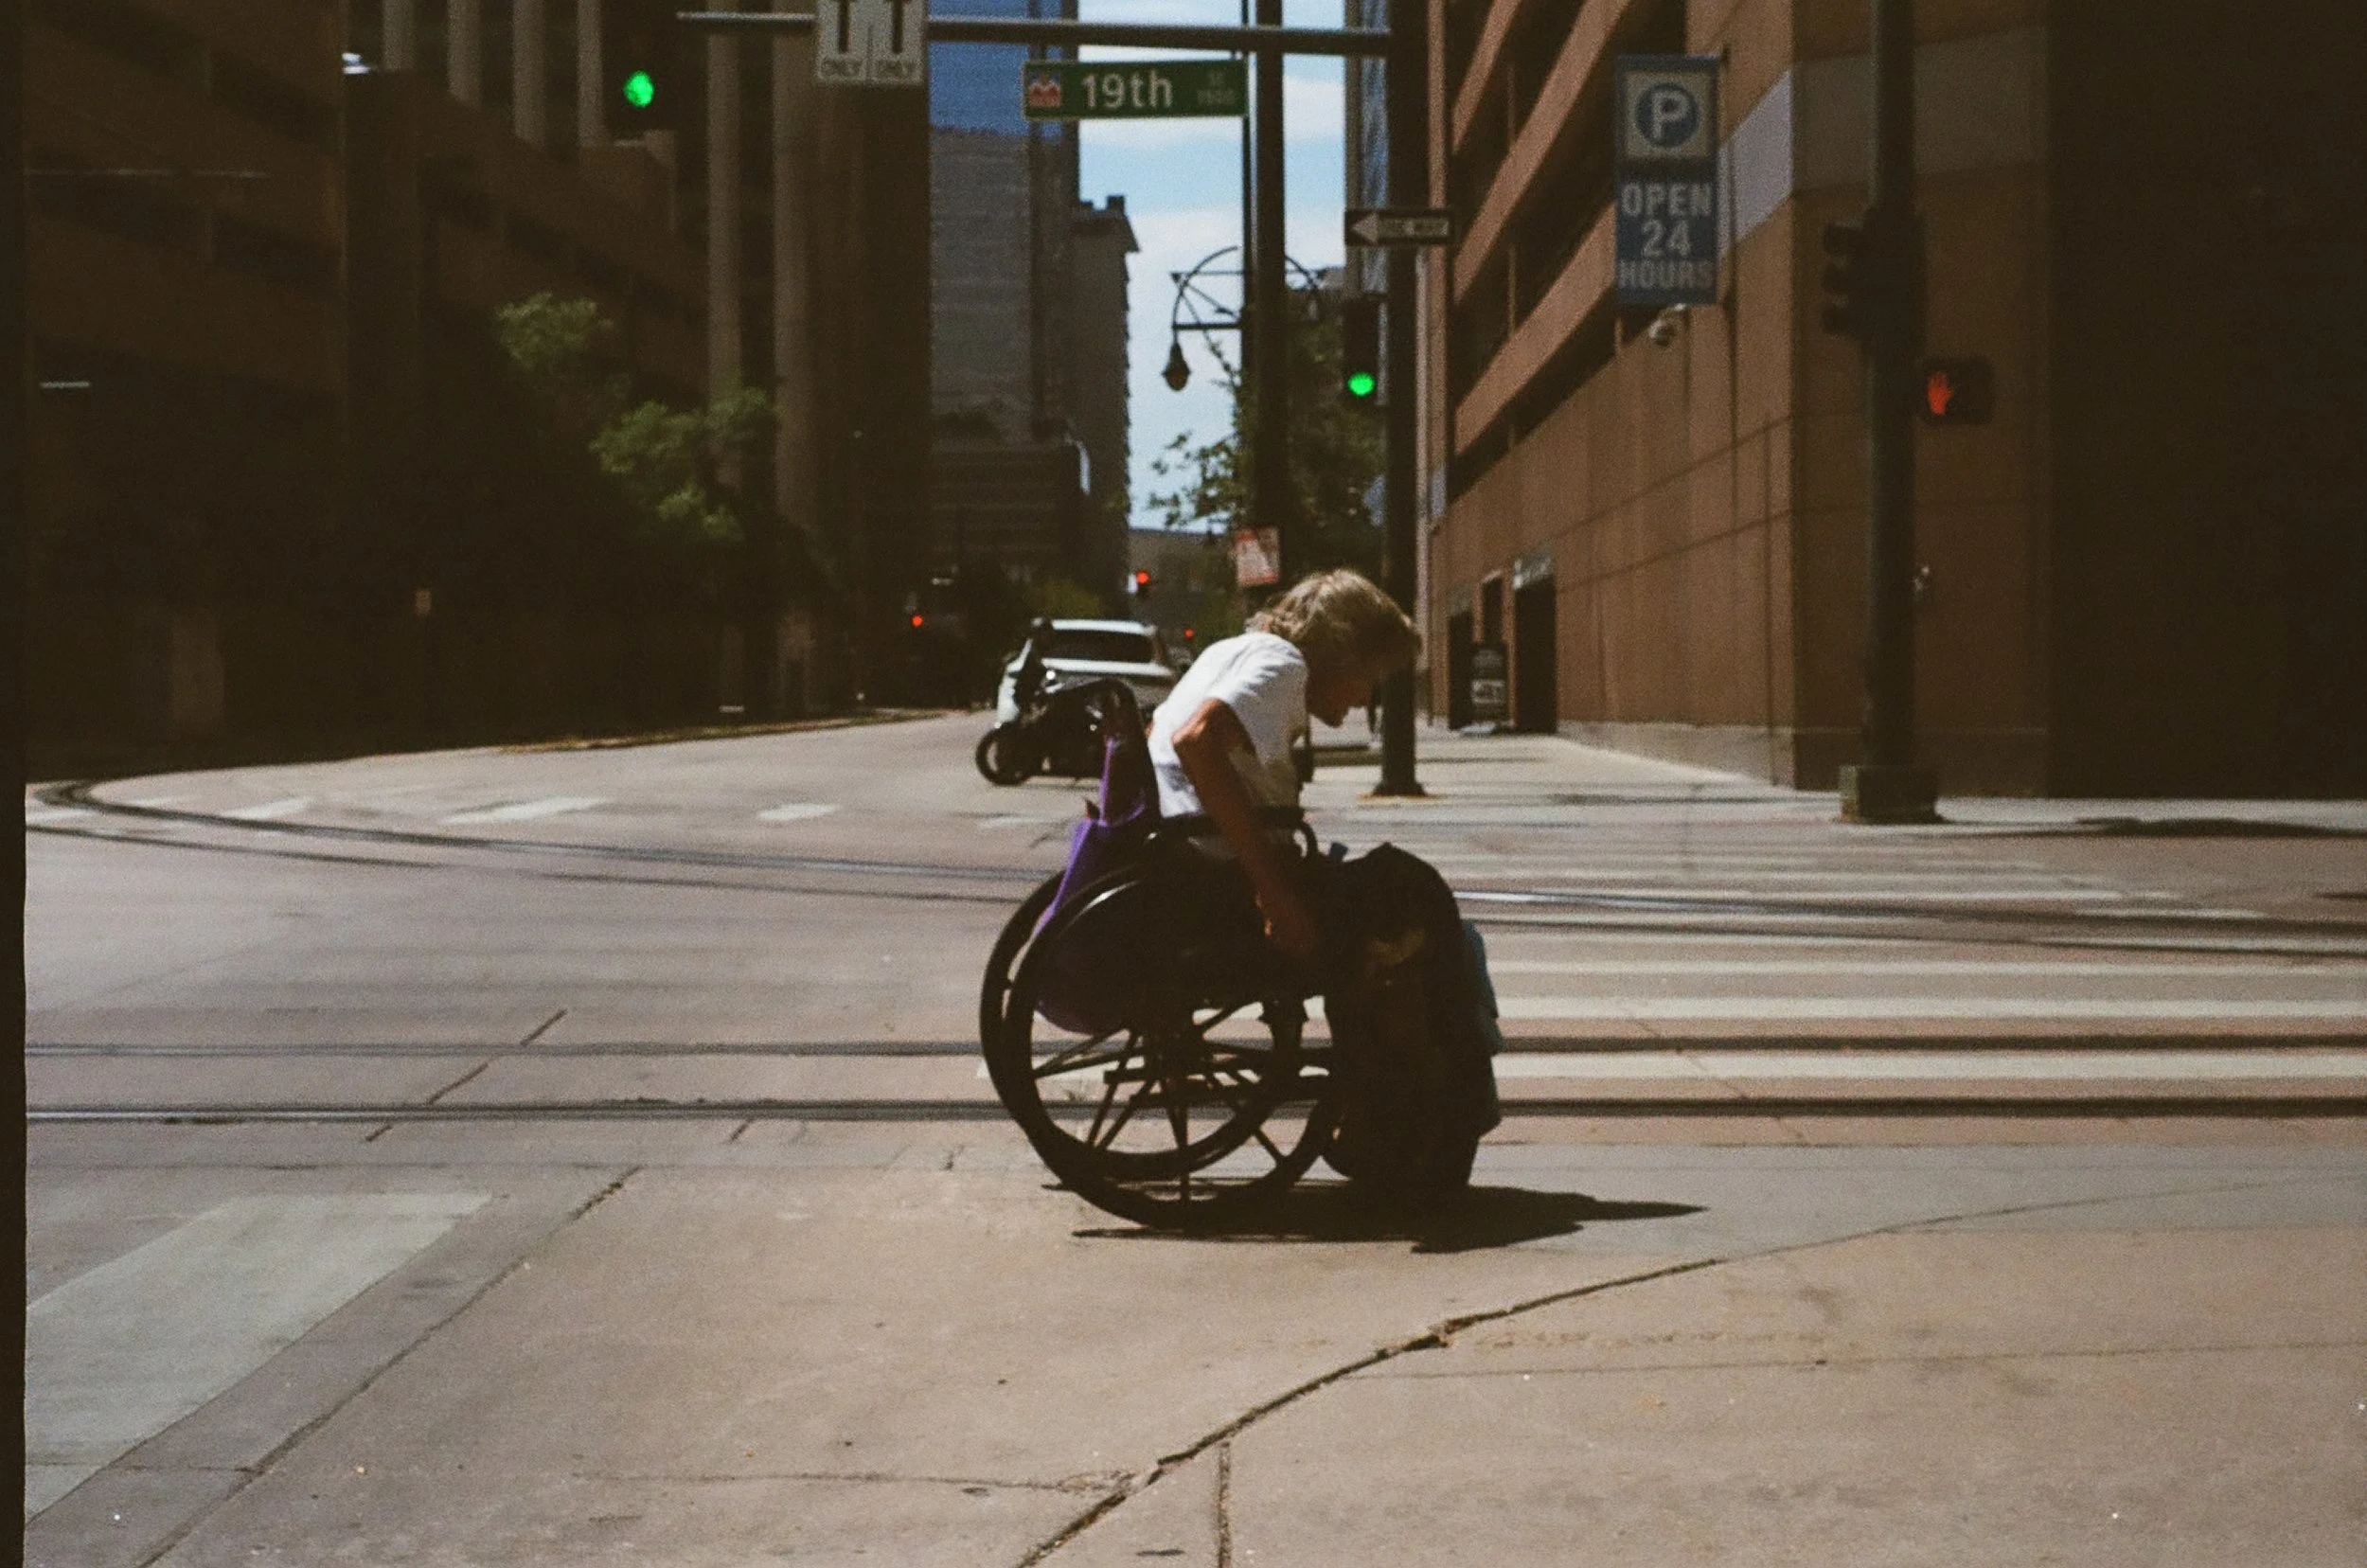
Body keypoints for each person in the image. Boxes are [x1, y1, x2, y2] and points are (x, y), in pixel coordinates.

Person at [1148, 568, 1421, 966]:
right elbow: (1195, 741)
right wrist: (1274, 895)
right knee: (1414, 888)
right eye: (1369, 676)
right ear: (1340, 655)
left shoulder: (1227, 652)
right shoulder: (1285, 667)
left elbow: (1156, 732)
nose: (1366, 698)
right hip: (1223, 883)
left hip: (1184, 863)